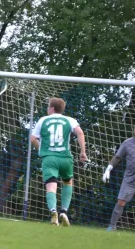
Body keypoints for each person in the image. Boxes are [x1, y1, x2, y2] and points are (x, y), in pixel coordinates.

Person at [30, 97, 87, 226]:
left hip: (49, 158)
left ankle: (53, 210)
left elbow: (33, 138)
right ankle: (64, 211)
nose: (47, 108)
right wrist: (82, 152)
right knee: (68, 182)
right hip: (65, 158)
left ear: (52, 108)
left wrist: (41, 149)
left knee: (51, 186)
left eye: (48, 106)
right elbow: (80, 133)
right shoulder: (69, 120)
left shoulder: (43, 120)